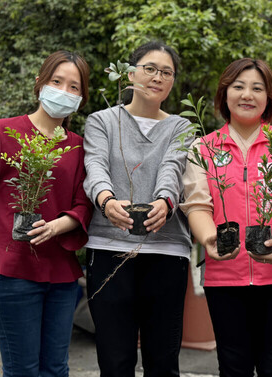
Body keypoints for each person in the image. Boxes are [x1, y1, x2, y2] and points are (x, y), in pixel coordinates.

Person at [0, 50, 93, 376]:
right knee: (22, 370)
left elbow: (83, 205)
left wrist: (58, 226)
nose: (64, 91)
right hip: (10, 271)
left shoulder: (78, 147)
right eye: (57, 81)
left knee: (56, 369)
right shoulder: (2, 132)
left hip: (61, 277)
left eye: (74, 86)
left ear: (81, 98)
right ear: (39, 83)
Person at [181, 58, 272, 376]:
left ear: (269, 97)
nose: (247, 94)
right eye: (238, 86)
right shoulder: (205, 147)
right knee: (232, 364)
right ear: (224, 94)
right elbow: (198, 204)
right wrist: (208, 237)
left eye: (257, 88)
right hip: (224, 274)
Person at [83, 41, 193, 377]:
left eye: (166, 72)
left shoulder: (181, 127)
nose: (157, 77)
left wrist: (164, 202)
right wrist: (106, 200)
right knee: (115, 361)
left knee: (163, 360)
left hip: (167, 250)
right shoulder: (102, 120)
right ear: (130, 74)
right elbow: (95, 165)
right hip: (109, 248)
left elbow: (173, 169)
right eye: (150, 68)